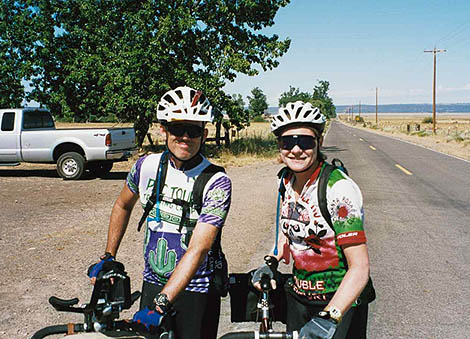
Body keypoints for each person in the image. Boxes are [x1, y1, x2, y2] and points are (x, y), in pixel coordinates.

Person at [88, 86, 232, 339]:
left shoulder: (216, 181)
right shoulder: (146, 166)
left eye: (194, 130)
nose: (185, 137)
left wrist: (162, 302)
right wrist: (109, 255)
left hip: (197, 290)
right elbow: (123, 204)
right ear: (165, 130)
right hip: (153, 282)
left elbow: (199, 248)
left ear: (204, 133)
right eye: (177, 129)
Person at [252, 101, 370, 339]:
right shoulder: (285, 180)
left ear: (319, 143)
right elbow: (286, 238)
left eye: (305, 141)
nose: (296, 150)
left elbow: (360, 267)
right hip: (299, 299)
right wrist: (272, 261)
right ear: (279, 146)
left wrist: (330, 317)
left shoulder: (338, 189)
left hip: (340, 303)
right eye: (288, 142)